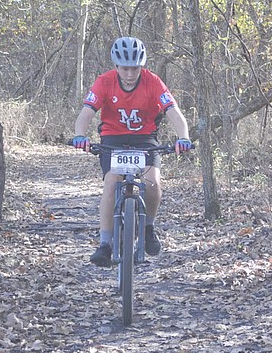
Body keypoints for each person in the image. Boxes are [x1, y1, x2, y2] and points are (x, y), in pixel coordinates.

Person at [72, 36, 193, 267]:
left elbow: (174, 112)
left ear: (142, 66)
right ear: (116, 66)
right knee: (111, 181)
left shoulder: (153, 82)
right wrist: (80, 135)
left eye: (135, 68)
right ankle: (105, 244)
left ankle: (148, 228)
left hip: (145, 139)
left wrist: (183, 137)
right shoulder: (104, 82)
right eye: (125, 68)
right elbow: (86, 112)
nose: (130, 73)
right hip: (113, 139)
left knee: (153, 182)